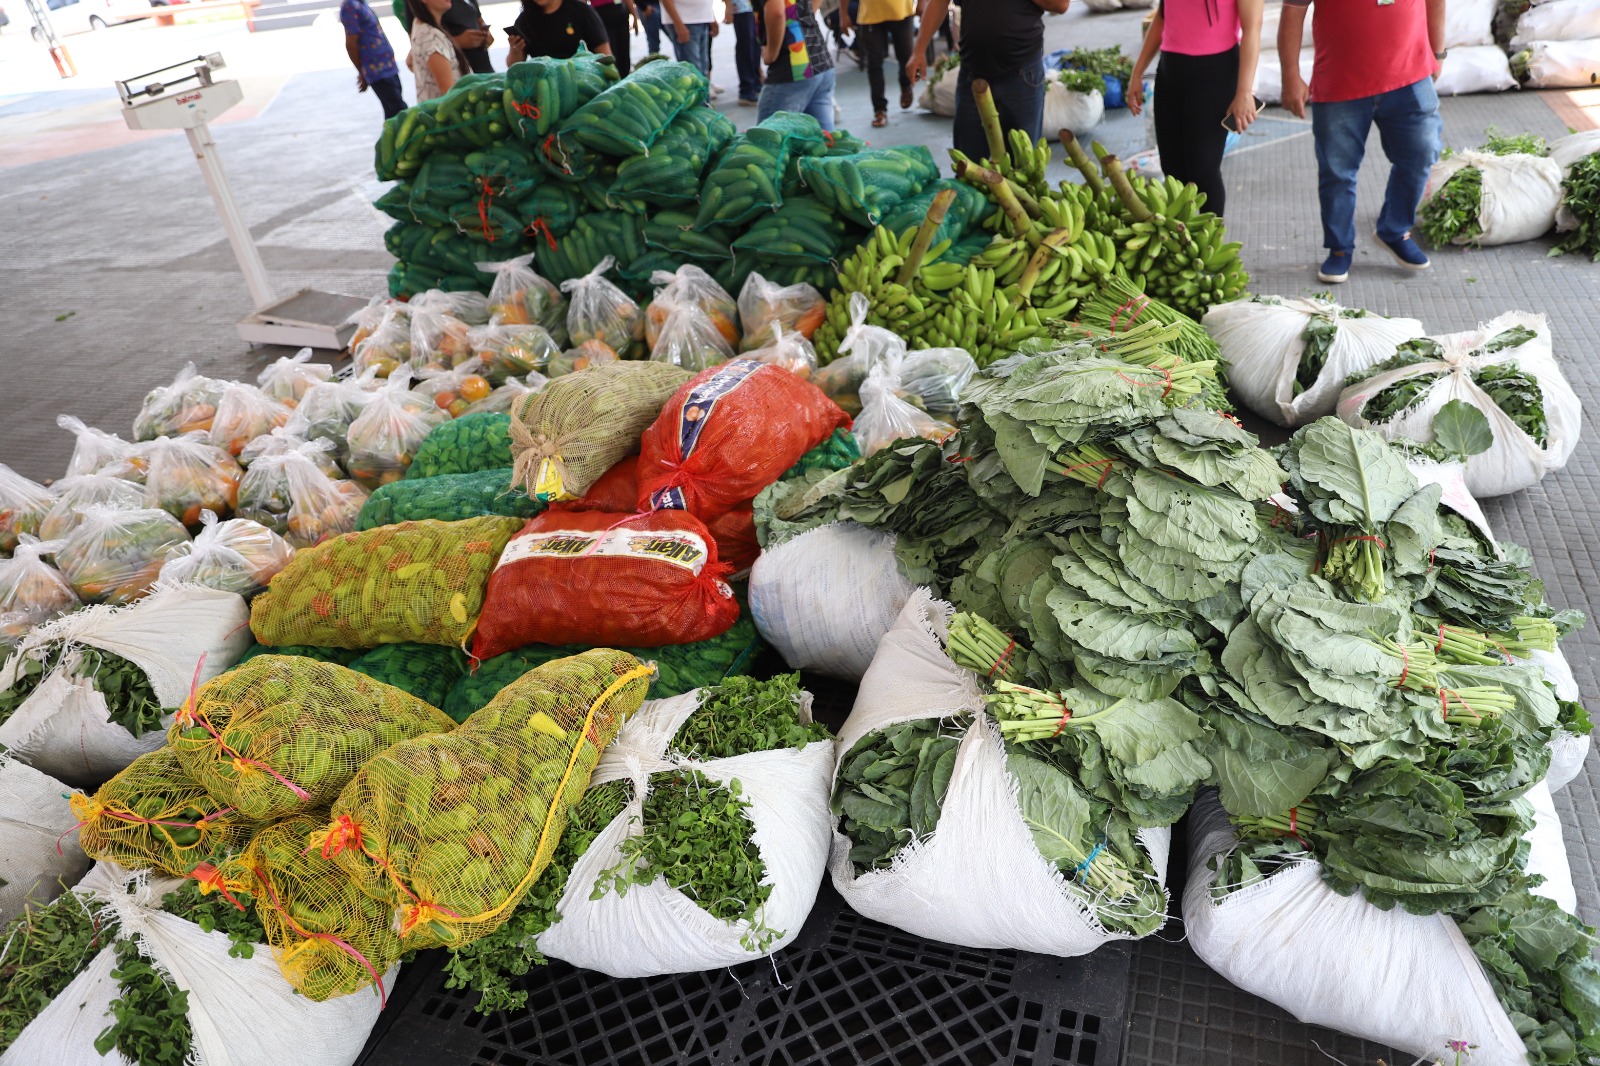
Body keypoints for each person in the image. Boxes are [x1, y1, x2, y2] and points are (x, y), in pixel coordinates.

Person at [1280, 0, 1445, 283]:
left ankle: (1394, 230)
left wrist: (1438, 52)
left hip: (1410, 75)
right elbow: (1293, 11)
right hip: (1339, 83)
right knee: (1337, 173)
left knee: (1422, 153)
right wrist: (1290, 77)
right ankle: (1340, 248)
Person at [1127, 0, 1262, 217]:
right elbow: (1163, 16)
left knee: (1203, 171)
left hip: (1215, 74)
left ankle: (1210, 246)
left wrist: (1244, 92)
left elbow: (1253, 28)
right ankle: (1182, 243)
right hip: (1171, 71)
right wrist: (1137, 73)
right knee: (1172, 171)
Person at [907, 0, 1070, 161]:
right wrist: (919, 50)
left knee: (1022, 164)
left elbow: (1060, 5)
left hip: (1022, 74)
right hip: (972, 74)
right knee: (968, 164)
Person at [757, 0, 836, 127]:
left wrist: (771, 53)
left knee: (769, 141)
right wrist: (803, 17)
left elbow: (776, 12)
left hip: (793, 67)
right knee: (822, 141)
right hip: (820, 59)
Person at [842, 0, 915, 128]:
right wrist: (843, 15)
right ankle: (879, 109)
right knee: (874, 63)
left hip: (902, 10)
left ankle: (906, 86)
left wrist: (922, 3)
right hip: (870, 14)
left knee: (906, 57)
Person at [341, 0, 406, 119]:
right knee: (400, 112)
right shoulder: (349, 6)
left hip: (388, 66)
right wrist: (362, 71)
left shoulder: (360, 3)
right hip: (377, 70)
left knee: (393, 114)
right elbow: (351, 44)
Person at [507, 0, 612, 62]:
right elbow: (513, 65)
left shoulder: (580, 11)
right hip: (544, 86)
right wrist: (515, 50)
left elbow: (606, 55)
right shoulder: (525, 20)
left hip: (583, 83)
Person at [407, 0, 470, 101]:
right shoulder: (431, 36)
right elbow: (449, 94)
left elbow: (409, 61)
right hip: (446, 112)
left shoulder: (420, 24)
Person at [662, 0, 718, 78]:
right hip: (685, 21)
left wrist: (712, 17)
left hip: (702, 19)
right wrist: (679, 25)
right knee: (692, 73)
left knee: (703, 69)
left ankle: (703, 89)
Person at [440, 0, 494, 72]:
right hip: (459, 67)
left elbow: (479, 20)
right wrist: (456, 42)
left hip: (483, 64)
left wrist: (487, 35)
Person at [590, 0, 641, 75]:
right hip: (601, 17)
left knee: (624, 55)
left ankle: (625, 78)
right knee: (611, 58)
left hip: (620, 14)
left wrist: (635, 17)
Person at [727, 0, 762, 105]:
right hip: (741, 8)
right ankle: (746, 90)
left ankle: (756, 83)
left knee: (755, 46)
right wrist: (728, 7)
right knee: (745, 48)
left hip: (753, 7)